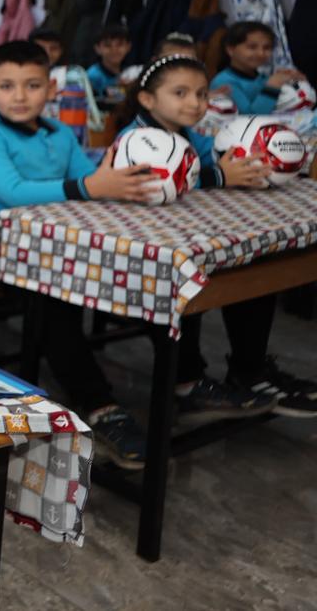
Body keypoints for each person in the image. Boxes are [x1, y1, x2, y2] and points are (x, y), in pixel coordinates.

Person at [0, 40, 158, 469]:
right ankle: (99, 403)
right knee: (51, 296)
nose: (19, 95)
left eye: (32, 85)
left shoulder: (60, 133)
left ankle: (183, 379)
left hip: (52, 242)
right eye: (7, 86)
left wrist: (116, 181)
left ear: (50, 89)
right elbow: (13, 192)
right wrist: (91, 186)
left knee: (118, 271)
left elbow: (89, 179)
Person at [116, 54, 314, 419]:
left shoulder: (187, 132)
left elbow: (210, 160)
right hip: (147, 255)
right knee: (187, 284)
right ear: (147, 99)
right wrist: (220, 176)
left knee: (258, 262)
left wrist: (246, 160)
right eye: (180, 93)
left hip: (189, 236)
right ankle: (187, 381)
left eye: (201, 94)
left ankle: (250, 369)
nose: (195, 103)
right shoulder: (136, 138)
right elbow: (153, 183)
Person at [211, 21, 306, 114]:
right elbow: (249, 116)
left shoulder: (263, 78)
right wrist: (273, 85)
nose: (261, 53)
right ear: (231, 50)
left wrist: (295, 82)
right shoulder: (224, 82)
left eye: (267, 48)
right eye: (252, 47)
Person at [87, 23, 132, 98]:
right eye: (107, 45)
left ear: (128, 46)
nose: (114, 50)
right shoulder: (92, 76)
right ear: (97, 48)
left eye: (119, 44)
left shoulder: (131, 72)